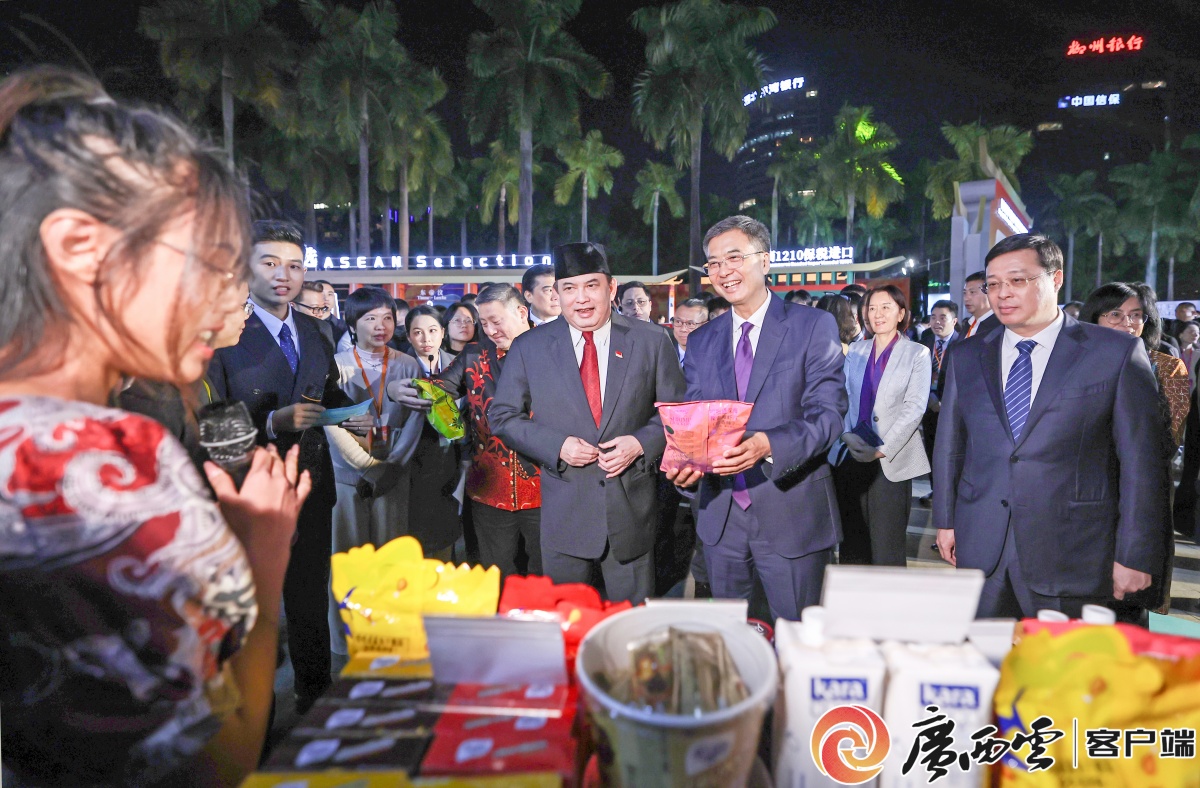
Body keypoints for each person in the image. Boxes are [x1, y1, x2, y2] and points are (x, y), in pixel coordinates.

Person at [0, 66, 307, 788]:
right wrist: (262, 559)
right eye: (209, 264)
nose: (225, 298)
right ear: (80, 246)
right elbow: (214, 761)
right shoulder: (90, 463)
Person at [933, 233, 1170, 619]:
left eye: (1017, 280)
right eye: (993, 284)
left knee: (1065, 659)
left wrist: (1135, 553)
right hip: (981, 546)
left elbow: (1142, 464)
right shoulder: (968, 354)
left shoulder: (1114, 353)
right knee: (986, 655)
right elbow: (950, 446)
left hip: (1073, 551)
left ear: (1055, 278)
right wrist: (945, 521)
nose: (1003, 293)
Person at [208, 220, 363, 712]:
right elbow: (211, 419)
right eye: (270, 263)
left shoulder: (316, 328)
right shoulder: (224, 331)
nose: (284, 275)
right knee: (253, 609)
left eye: (295, 266)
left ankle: (313, 697)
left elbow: (327, 393)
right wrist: (272, 422)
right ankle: (253, 716)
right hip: (250, 490)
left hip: (311, 483)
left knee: (309, 597)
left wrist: (357, 412)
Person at [667, 217, 847, 621]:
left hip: (791, 509)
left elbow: (829, 414)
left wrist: (769, 444)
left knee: (796, 634)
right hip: (722, 515)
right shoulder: (702, 340)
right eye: (713, 263)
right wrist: (686, 465)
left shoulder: (812, 326)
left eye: (734, 258)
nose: (723, 271)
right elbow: (697, 420)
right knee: (732, 639)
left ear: (764, 261)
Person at [491, 242, 686, 604]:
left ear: (611, 288)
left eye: (591, 286)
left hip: (630, 511)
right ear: (557, 294)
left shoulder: (652, 340)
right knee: (567, 620)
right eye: (569, 288)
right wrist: (557, 446)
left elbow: (677, 411)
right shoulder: (530, 347)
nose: (581, 298)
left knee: (631, 625)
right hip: (565, 513)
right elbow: (502, 416)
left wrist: (640, 443)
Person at [397, 284, 543, 580]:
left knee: (546, 572)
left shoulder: (553, 349)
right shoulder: (475, 355)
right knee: (494, 573)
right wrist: (397, 389)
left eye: (496, 321)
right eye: (483, 323)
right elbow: (439, 387)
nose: (489, 330)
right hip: (489, 484)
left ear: (521, 312)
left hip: (546, 484)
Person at [324, 287, 423, 654]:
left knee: (391, 558)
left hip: (394, 474)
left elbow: (416, 419)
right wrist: (366, 468)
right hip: (347, 476)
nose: (381, 326)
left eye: (387, 318)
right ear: (352, 324)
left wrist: (393, 465)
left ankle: (387, 637)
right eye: (370, 318)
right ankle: (344, 643)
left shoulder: (407, 364)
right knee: (347, 560)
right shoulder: (336, 365)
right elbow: (330, 423)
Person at [831, 286, 931, 566]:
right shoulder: (856, 350)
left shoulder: (917, 353)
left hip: (890, 461)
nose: (877, 314)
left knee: (887, 547)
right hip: (851, 454)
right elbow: (842, 397)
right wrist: (846, 435)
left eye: (886, 307)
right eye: (872, 308)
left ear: (901, 313)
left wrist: (882, 449)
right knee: (853, 544)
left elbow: (914, 408)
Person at [1080, 283, 1189, 449]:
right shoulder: (1075, 362)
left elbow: (1171, 434)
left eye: (1136, 315)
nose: (1127, 323)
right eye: (1115, 314)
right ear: (1094, 319)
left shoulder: (1168, 366)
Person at [401, 305, 463, 559]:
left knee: (448, 525)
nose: (426, 339)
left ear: (443, 333)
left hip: (453, 456)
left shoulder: (458, 363)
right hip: (414, 457)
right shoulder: (400, 366)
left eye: (432, 330)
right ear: (408, 336)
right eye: (417, 332)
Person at [918, 299, 960, 505]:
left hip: (951, 408)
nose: (937, 322)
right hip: (928, 406)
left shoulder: (962, 343)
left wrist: (945, 401)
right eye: (933, 317)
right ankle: (936, 490)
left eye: (943, 317)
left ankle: (952, 492)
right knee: (931, 450)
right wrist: (927, 399)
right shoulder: (925, 338)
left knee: (950, 451)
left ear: (954, 321)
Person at [671, 297, 709, 366]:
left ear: (705, 326)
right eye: (678, 322)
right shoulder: (663, 352)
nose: (683, 329)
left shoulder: (714, 358)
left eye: (690, 324)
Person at [960, 271, 999, 338]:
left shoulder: (999, 327)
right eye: (964, 293)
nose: (966, 298)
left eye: (972, 292)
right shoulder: (968, 324)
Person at [1175, 320, 1200, 388]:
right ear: (1180, 335)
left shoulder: (1198, 354)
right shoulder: (1173, 353)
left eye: (1198, 332)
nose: (1196, 335)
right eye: (1191, 331)